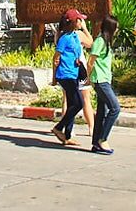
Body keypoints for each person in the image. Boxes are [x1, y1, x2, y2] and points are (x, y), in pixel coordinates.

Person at [51, 8, 86, 146]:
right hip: (65, 75)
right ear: (73, 22)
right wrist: (54, 77)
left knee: (72, 103)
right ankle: (58, 128)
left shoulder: (75, 36)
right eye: (79, 20)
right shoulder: (64, 38)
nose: (81, 22)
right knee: (79, 103)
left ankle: (67, 135)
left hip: (74, 73)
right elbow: (56, 58)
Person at [87, 16, 120, 155]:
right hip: (100, 81)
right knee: (115, 108)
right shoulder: (100, 41)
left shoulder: (106, 42)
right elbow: (90, 62)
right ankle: (103, 139)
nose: (117, 30)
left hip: (105, 79)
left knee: (101, 113)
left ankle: (96, 143)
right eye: (116, 27)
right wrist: (87, 79)